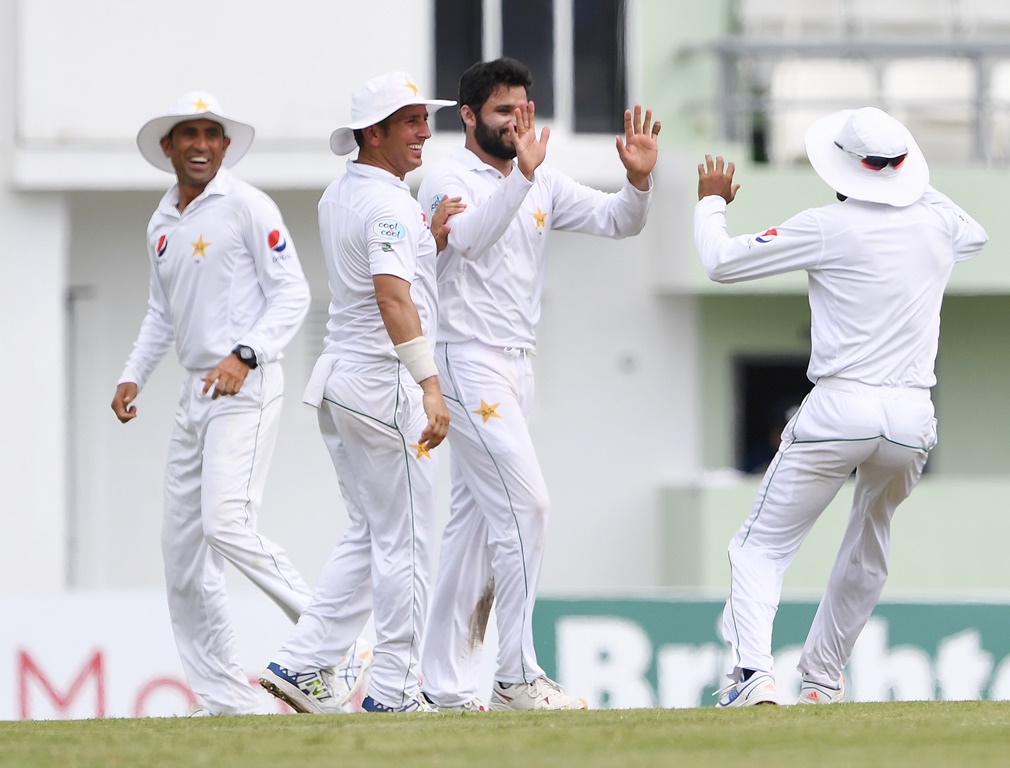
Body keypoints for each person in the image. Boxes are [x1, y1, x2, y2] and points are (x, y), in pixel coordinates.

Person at [694, 107, 988, 707]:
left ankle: (755, 676)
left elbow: (720, 263)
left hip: (842, 408)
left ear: (843, 171)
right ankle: (823, 681)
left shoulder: (827, 223)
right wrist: (905, 180)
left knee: (759, 548)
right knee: (868, 544)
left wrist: (711, 204)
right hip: (911, 419)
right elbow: (975, 234)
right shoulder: (936, 222)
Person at [110, 92, 374, 716]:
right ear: (168, 147)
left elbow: (292, 293)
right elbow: (160, 314)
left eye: (211, 133)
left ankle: (337, 643)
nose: (200, 144)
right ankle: (227, 701)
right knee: (182, 556)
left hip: (247, 385)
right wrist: (132, 375)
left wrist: (245, 354)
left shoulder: (249, 206)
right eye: (188, 134)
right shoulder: (161, 224)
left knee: (226, 522)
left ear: (225, 146)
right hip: (193, 393)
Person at [417, 57, 661, 712]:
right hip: (464, 358)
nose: (517, 123)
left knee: (470, 530)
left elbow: (618, 221)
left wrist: (638, 182)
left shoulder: (540, 174)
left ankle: (440, 688)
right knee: (529, 506)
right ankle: (515, 676)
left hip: (517, 366)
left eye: (523, 111)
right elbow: (465, 239)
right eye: (503, 112)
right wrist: (523, 178)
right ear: (469, 117)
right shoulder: (447, 175)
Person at [258, 72, 460, 714]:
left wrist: (429, 239)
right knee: (404, 543)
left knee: (369, 534)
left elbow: (385, 273)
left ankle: (301, 663)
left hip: (342, 380)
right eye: (410, 122)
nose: (425, 132)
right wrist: (430, 384)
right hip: (383, 384)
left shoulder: (341, 194)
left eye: (425, 120)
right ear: (373, 134)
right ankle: (397, 692)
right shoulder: (390, 205)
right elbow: (392, 295)